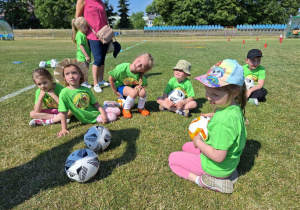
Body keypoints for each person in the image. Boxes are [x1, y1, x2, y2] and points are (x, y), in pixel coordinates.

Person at [169, 59, 247, 194]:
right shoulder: (233, 108)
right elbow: (228, 119)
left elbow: (218, 156)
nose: (208, 97)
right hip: (229, 164)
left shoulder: (223, 122)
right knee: (186, 147)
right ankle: (228, 173)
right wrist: (213, 115)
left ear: (234, 93)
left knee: (173, 159)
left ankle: (205, 181)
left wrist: (198, 142)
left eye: (215, 94)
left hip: (216, 166)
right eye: (207, 91)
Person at [54, 58, 120, 137]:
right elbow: (63, 112)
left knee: (118, 111)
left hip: (96, 110)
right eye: (67, 74)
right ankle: (108, 104)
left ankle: (108, 104)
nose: (71, 76)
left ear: (80, 75)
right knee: (113, 116)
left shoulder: (86, 89)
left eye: (74, 73)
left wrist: (103, 113)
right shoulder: (64, 93)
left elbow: (95, 103)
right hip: (91, 118)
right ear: (64, 78)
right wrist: (64, 128)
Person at [76, 0, 111, 93]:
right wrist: (81, 32)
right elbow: (77, 18)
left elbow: (105, 18)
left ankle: (101, 80)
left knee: (102, 58)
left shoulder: (101, 2)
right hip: (92, 35)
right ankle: (95, 84)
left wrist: (109, 32)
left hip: (104, 34)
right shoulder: (83, 1)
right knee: (98, 58)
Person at [108, 53, 154, 118]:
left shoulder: (139, 75)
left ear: (143, 70)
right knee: (133, 93)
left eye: (141, 66)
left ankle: (141, 107)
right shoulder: (122, 67)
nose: (138, 64)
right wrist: (115, 91)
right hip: (121, 87)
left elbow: (145, 84)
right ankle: (126, 109)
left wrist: (138, 88)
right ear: (136, 58)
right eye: (139, 60)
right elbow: (110, 78)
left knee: (143, 92)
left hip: (131, 87)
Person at [71, 16, 92, 88]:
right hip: (82, 57)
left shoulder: (82, 34)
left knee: (86, 69)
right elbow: (81, 46)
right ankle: (83, 83)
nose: (87, 29)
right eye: (85, 28)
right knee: (83, 70)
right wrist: (86, 55)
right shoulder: (80, 35)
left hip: (84, 56)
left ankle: (85, 82)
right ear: (78, 27)